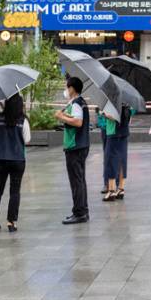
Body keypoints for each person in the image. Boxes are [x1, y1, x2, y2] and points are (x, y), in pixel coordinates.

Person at [0, 93, 27, 233]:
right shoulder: (23, 120)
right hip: (17, 159)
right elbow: (27, 139)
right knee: (15, 191)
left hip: (1, 160)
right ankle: (11, 222)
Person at [54, 76, 90, 225]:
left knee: (76, 181)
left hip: (75, 146)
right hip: (80, 145)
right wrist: (63, 115)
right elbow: (75, 118)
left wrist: (61, 117)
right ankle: (82, 210)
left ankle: (79, 213)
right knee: (79, 180)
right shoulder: (79, 103)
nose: (66, 90)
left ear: (72, 88)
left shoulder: (76, 103)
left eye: (67, 87)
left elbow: (78, 122)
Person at [101, 104, 132, 202]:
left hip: (113, 132)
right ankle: (121, 189)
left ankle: (111, 190)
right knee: (122, 160)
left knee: (110, 160)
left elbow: (115, 117)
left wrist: (104, 114)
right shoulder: (127, 103)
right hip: (124, 132)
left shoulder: (115, 102)